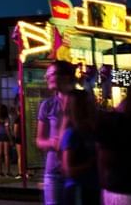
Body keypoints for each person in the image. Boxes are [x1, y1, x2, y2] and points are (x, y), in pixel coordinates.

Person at [37, 60, 77, 205]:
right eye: (47, 74)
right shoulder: (47, 105)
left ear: (66, 76)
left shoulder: (81, 101)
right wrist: (52, 142)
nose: (47, 77)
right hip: (54, 171)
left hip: (77, 169)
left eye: (51, 74)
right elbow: (39, 140)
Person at [60, 90, 99, 205]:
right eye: (88, 103)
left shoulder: (91, 131)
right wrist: (91, 163)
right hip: (78, 189)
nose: (92, 106)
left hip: (92, 187)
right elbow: (68, 170)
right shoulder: (72, 133)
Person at [0, 104, 13, 177]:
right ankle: (8, 172)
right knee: (6, 154)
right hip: (5, 135)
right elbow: (7, 129)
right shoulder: (7, 118)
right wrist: (11, 139)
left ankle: (0, 171)